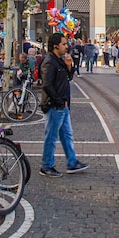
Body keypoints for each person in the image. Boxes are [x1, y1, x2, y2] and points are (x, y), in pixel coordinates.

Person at [39, 33, 90, 177]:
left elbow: (69, 78)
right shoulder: (49, 61)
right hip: (55, 106)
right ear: (55, 46)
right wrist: (59, 101)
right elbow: (47, 85)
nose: (67, 46)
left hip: (63, 106)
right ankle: (46, 165)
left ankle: (72, 162)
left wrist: (69, 66)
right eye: (64, 44)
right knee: (51, 136)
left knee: (67, 135)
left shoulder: (59, 60)